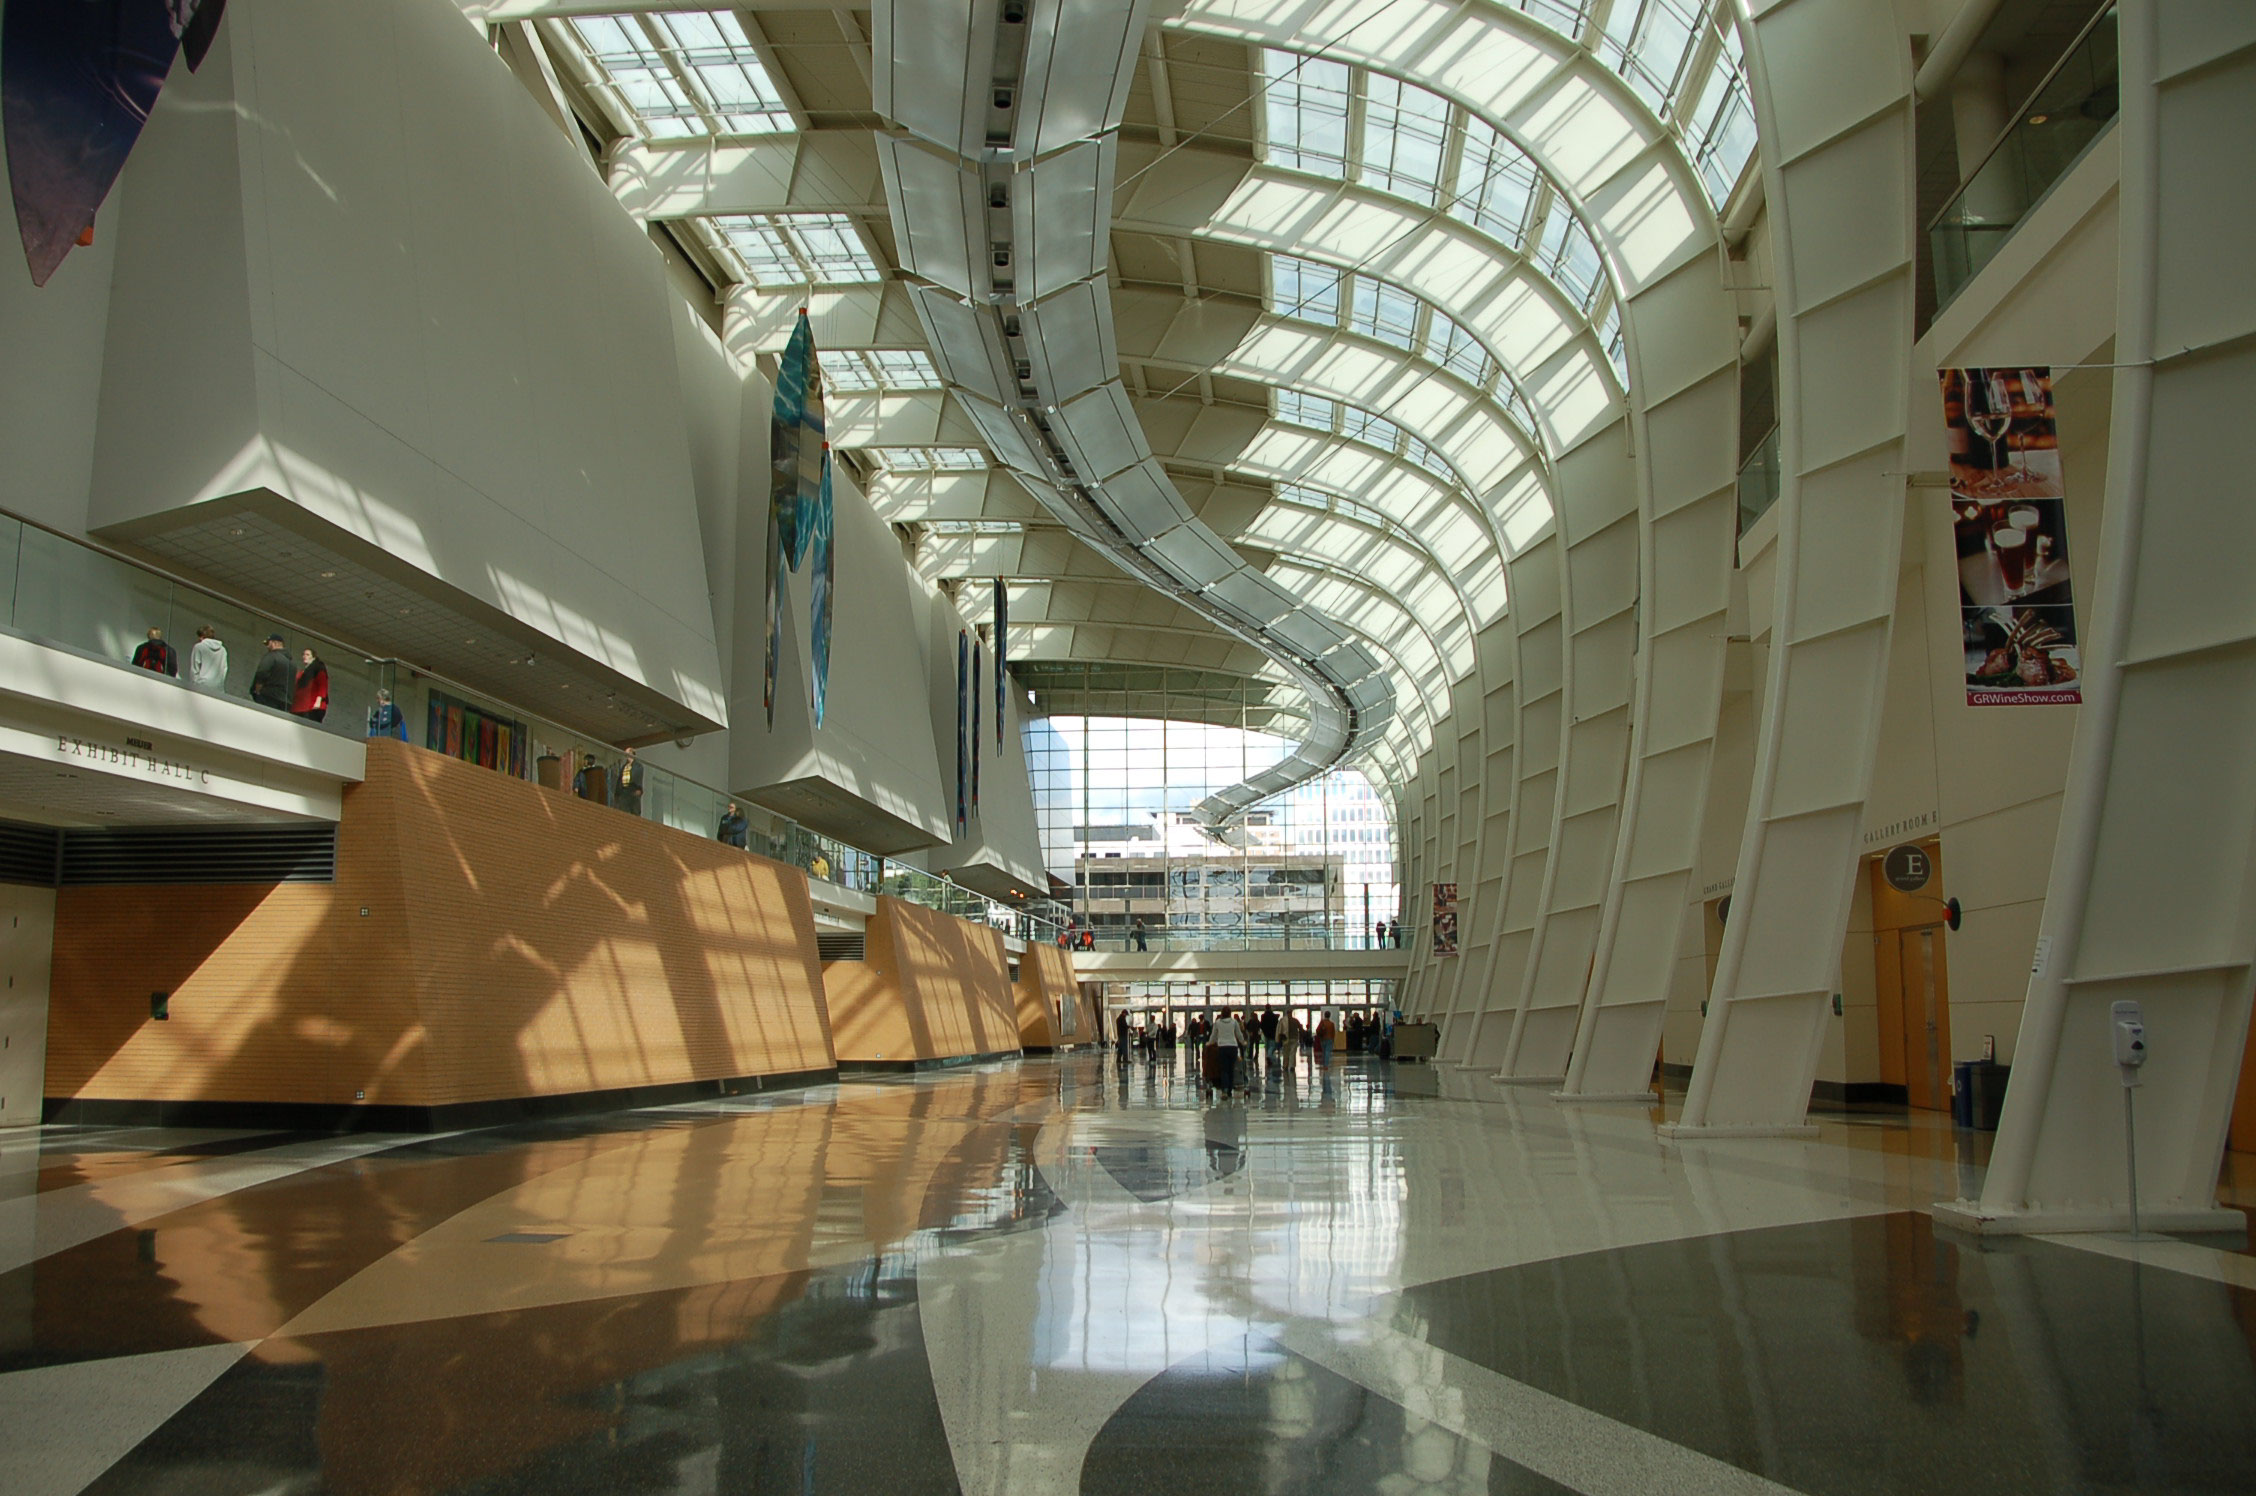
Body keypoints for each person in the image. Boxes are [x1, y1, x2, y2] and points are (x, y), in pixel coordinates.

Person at [1209, 1008, 1246, 1097]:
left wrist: (1209, 1043)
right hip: (1233, 1047)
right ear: (1230, 1013)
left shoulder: (1217, 1023)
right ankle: (1230, 1090)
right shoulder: (1234, 1022)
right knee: (1231, 1069)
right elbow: (1239, 1034)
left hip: (1222, 1047)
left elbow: (1213, 1036)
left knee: (1224, 1069)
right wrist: (1243, 1042)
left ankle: (1224, 1090)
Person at [250, 634, 293, 711]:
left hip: (268, 697)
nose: (267, 647)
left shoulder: (272, 656)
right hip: (285, 702)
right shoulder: (293, 664)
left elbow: (262, 672)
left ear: (275, 643)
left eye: (268, 644)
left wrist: (257, 690)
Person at [290, 647, 330, 722]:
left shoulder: (318, 670)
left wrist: (318, 702)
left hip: (310, 706)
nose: (305, 656)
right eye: (304, 654)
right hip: (299, 705)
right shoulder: (302, 673)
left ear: (313, 657)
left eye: (308, 655)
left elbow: (322, 686)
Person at [187, 625, 227, 692]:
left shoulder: (199, 647)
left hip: (201, 685)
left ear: (202, 637)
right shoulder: (223, 650)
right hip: (218, 688)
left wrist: (193, 686)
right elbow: (224, 669)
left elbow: (195, 669)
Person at [614, 745, 644, 817]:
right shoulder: (624, 766)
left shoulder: (638, 766)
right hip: (624, 790)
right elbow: (620, 779)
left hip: (633, 789)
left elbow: (638, 777)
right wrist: (617, 791)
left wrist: (638, 788)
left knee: (634, 809)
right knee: (623, 809)